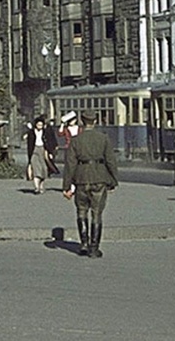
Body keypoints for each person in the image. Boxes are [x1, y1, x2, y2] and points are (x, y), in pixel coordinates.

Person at [62, 110, 117, 258]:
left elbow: (70, 165)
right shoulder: (103, 138)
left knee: (81, 211)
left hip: (81, 179)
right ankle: (94, 247)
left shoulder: (76, 140)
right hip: (99, 178)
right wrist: (113, 181)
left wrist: (67, 186)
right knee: (97, 214)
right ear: (95, 121)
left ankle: (84, 244)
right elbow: (110, 161)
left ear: (82, 121)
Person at [24, 115, 58, 194]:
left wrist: (50, 152)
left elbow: (50, 142)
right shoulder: (31, 132)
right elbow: (28, 142)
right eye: (38, 125)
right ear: (35, 125)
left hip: (43, 150)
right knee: (36, 169)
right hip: (34, 150)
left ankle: (41, 186)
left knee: (43, 169)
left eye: (41, 125)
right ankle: (36, 187)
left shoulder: (45, 132)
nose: (40, 126)